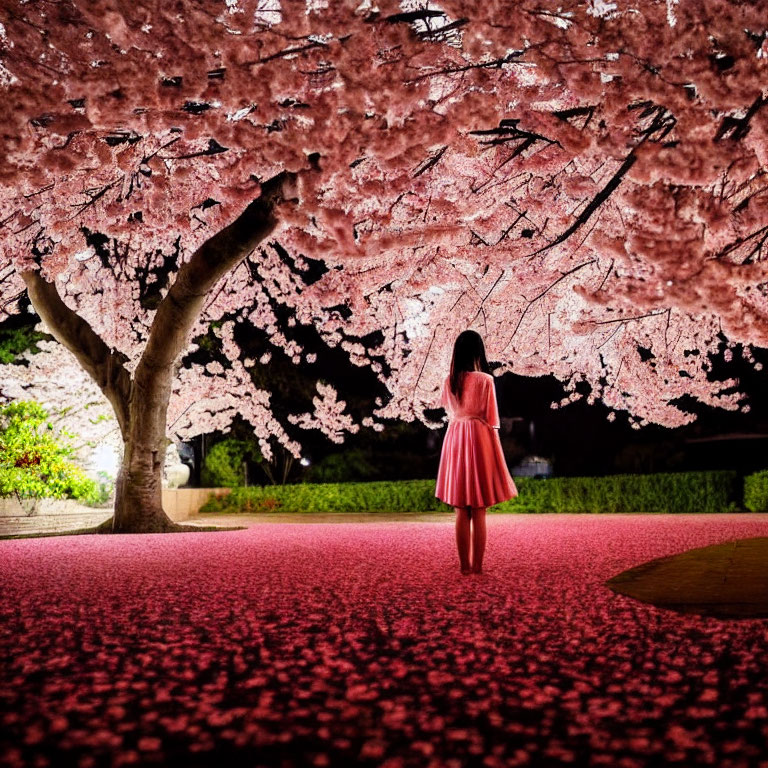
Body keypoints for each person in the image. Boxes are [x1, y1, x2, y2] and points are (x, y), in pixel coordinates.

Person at [435, 330, 517, 575]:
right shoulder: (485, 380)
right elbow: (492, 418)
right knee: (479, 508)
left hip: (456, 437)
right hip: (480, 437)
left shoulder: (449, 381)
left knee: (461, 509)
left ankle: (464, 567)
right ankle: (477, 566)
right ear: (478, 351)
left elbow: (449, 410)